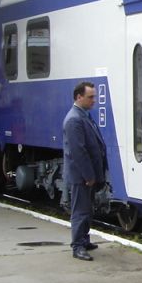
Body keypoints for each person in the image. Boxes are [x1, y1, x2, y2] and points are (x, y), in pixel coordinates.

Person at [63, 81, 107, 261]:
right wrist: (89, 175)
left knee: (87, 209)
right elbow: (78, 151)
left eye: (94, 96)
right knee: (80, 211)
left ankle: (84, 240)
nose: (94, 100)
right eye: (90, 97)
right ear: (79, 97)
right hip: (81, 176)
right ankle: (78, 246)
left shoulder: (83, 115)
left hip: (87, 174)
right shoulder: (74, 119)